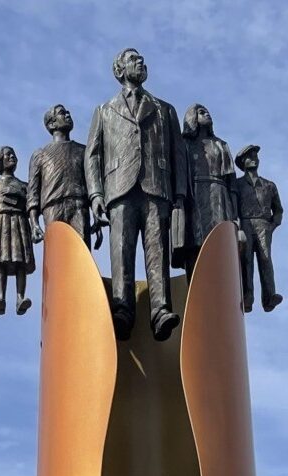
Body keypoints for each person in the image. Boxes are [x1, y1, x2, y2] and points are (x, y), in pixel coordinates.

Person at [85, 48, 187, 340]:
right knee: (121, 250)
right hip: (119, 188)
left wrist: (179, 194)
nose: (140, 62)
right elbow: (92, 156)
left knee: (157, 250)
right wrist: (95, 194)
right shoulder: (104, 111)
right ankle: (122, 308)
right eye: (133, 59)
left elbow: (177, 154)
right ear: (119, 71)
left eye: (141, 58)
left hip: (157, 187)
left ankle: (161, 309)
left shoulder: (165, 109)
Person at [173, 103, 239, 276]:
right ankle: (195, 286)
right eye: (201, 112)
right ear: (192, 117)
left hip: (219, 195)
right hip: (192, 196)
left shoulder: (221, 145)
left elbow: (231, 182)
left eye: (208, 112)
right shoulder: (184, 144)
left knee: (219, 243)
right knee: (194, 242)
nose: (207, 114)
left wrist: (234, 214)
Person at [28, 104, 101, 250]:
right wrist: (34, 224)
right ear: (52, 124)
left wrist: (96, 216)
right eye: (62, 113)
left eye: (68, 112)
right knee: (57, 255)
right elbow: (33, 192)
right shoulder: (40, 155)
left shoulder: (83, 151)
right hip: (52, 208)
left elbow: (92, 182)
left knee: (82, 253)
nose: (68, 115)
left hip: (79, 206)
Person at [0, 146, 36, 316]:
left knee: (20, 261)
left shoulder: (24, 186)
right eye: (7, 155)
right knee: (1, 261)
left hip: (20, 222)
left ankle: (20, 297)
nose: (12, 157)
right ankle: (1, 297)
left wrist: (34, 226)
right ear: (0, 161)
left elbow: (32, 207)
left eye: (13, 154)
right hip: (1, 222)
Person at [233, 144, 283, 312]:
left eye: (255, 156)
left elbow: (278, 210)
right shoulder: (237, 184)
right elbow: (233, 206)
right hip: (245, 223)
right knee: (246, 260)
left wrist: (272, 225)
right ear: (242, 162)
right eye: (249, 156)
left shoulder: (269, 185)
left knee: (265, 258)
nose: (253, 159)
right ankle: (247, 297)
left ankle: (269, 297)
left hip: (263, 224)